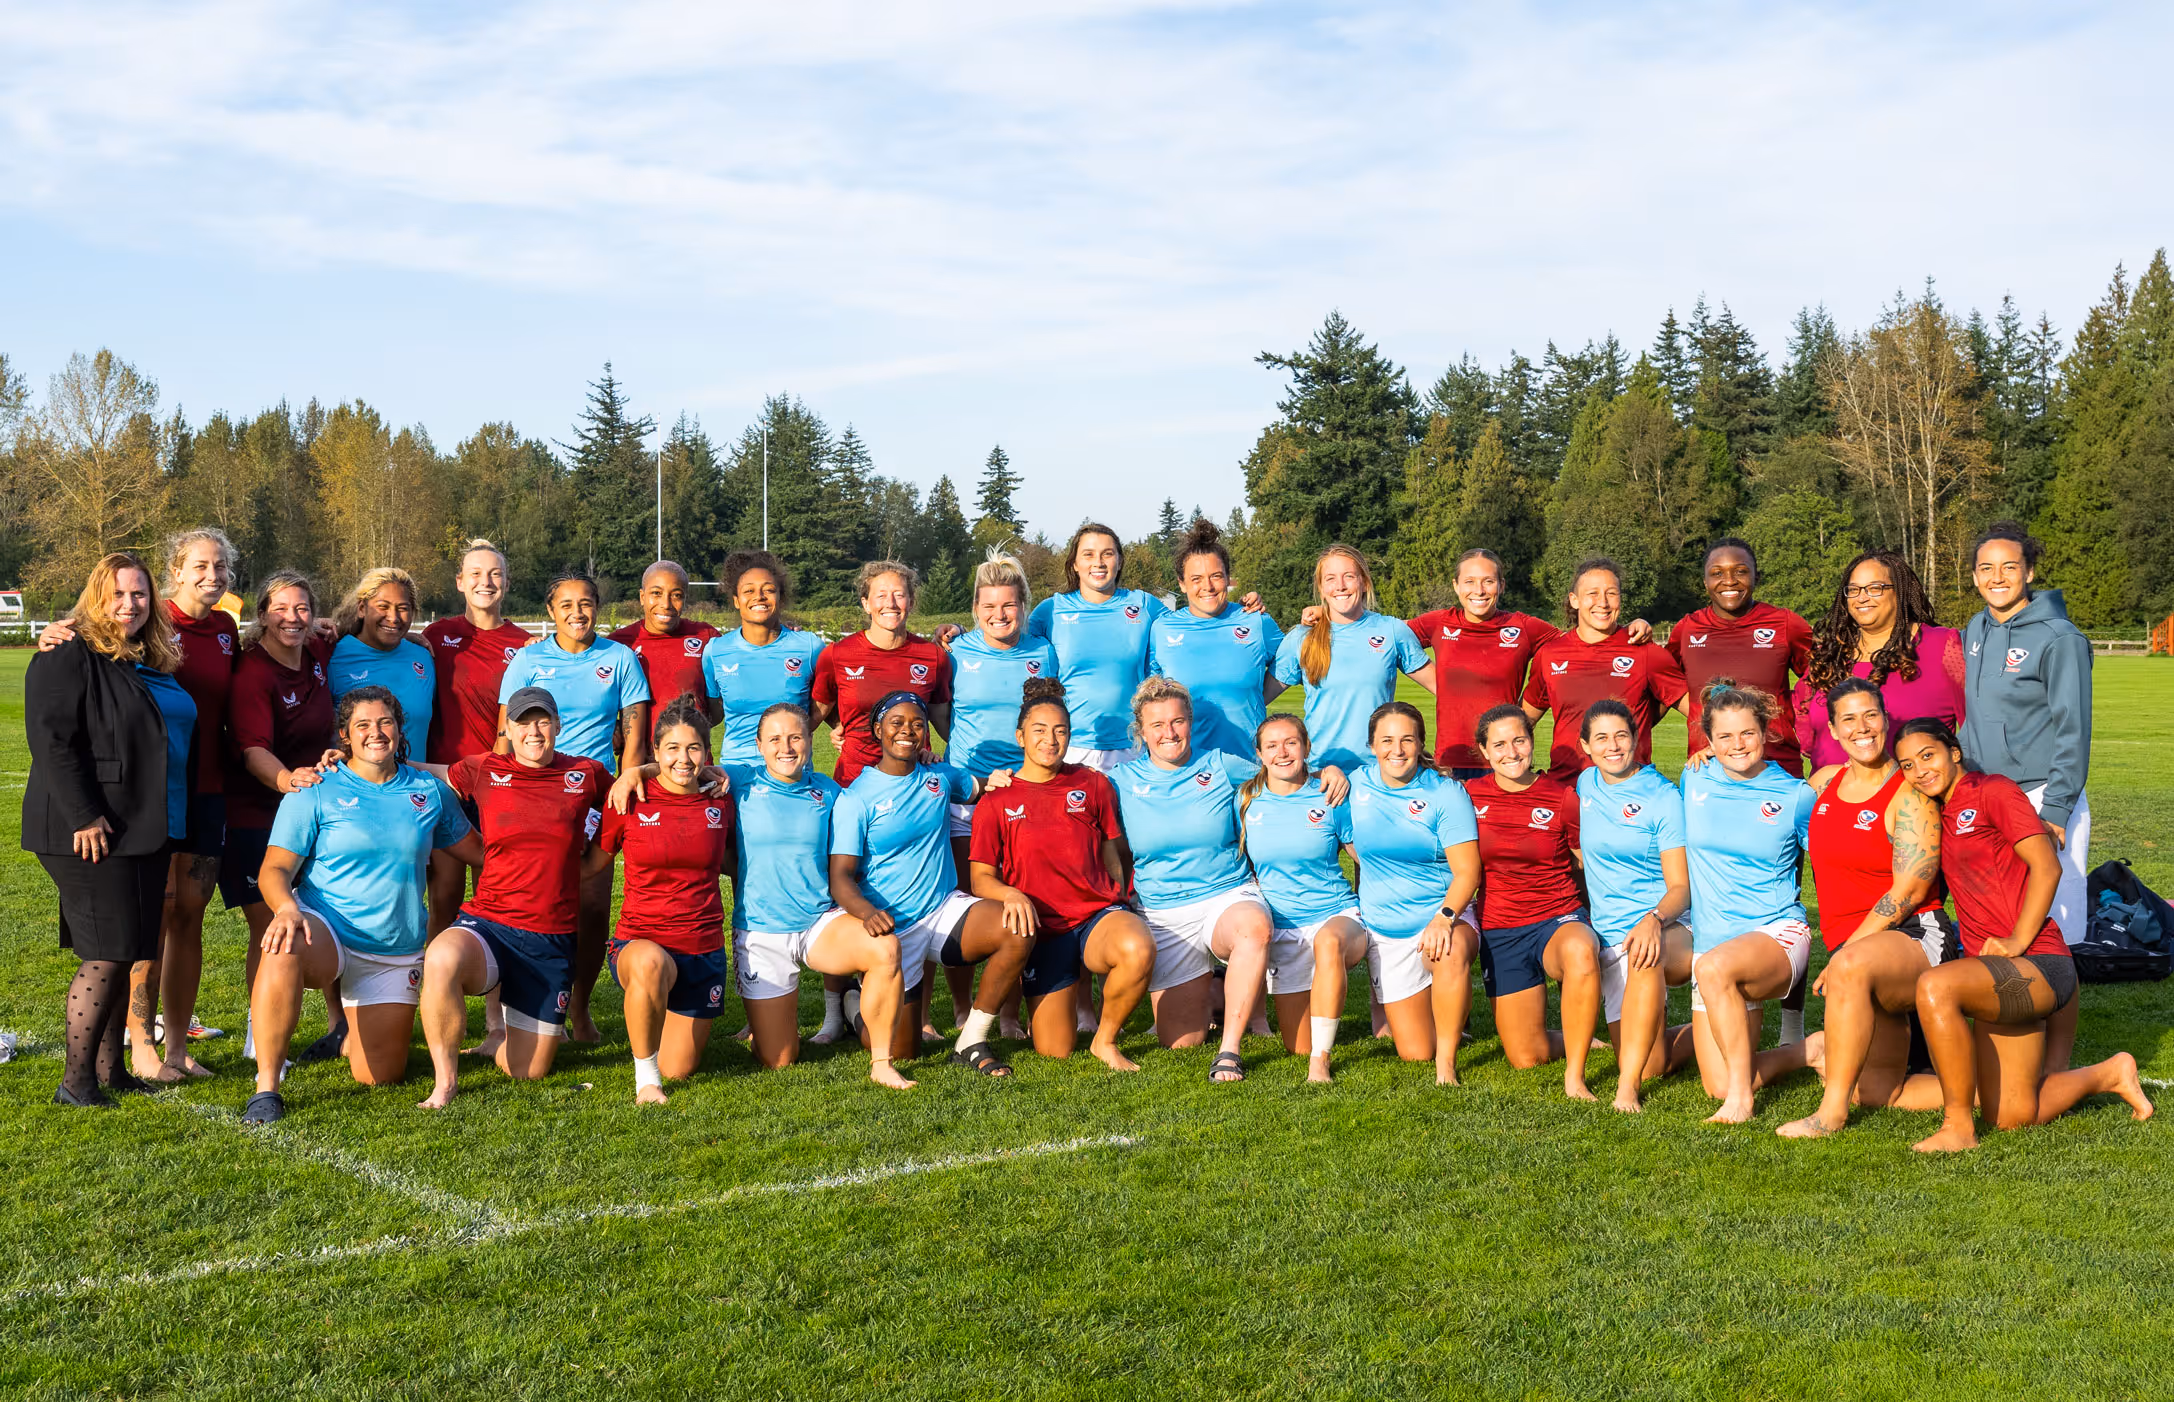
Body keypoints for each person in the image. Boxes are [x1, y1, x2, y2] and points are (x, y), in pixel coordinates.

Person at [1897, 718, 2151, 1152]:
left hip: (2039, 963)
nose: (1920, 770)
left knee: (1935, 987)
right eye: (1907, 764)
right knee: (2013, 1116)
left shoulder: (1993, 790)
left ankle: (1957, 1126)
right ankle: (2109, 1073)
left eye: (1928, 755)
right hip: (1993, 975)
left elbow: (2047, 865)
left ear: (1953, 752)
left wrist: (2017, 939)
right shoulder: (1936, 810)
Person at [44, 529, 242, 1080]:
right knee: (138, 929)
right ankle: (138, 1048)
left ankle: (171, 1049)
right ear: (175, 571)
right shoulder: (127, 634)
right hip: (138, 803)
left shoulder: (219, 630)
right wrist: (59, 630)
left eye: (221, 566)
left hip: (197, 796)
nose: (213, 575)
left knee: (181, 923)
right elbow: (67, 719)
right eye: (200, 565)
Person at [242, 689, 481, 1123]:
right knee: (282, 944)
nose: (376, 733)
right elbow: (273, 869)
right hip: (326, 929)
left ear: (399, 728)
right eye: (363, 726)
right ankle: (266, 1087)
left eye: (385, 722)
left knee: (380, 1076)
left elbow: (480, 853)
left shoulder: (428, 790)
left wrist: (549, 853)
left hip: (394, 948)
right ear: (344, 736)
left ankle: (347, 1033)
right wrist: (287, 909)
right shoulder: (314, 788)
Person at [25, 553, 196, 1107]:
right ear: (95, 597)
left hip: (139, 825)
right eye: (117, 594)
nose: (129, 605)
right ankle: (76, 1083)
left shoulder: (136, 657)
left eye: (140, 594)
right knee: (105, 952)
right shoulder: (67, 652)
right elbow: (52, 741)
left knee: (127, 947)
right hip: (89, 829)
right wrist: (83, 815)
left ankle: (112, 1070)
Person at [419, 688, 612, 1106]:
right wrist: (364, 762)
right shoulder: (484, 768)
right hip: (489, 922)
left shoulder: (586, 773)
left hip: (550, 936)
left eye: (543, 721)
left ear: (558, 726)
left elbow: (623, 799)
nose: (534, 731)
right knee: (441, 957)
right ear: (507, 729)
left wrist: (643, 771)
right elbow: (430, 773)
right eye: (524, 721)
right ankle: (445, 1082)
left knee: (528, 1071)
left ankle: (507, 1027)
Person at [1774, 679, 1947, 1138]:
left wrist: (1847, 952)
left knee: (1849, 967)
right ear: (1831, 729)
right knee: (1879, 1092)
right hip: (1857, 954)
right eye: (1848, 719)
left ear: (1886, 720)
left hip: (1915, 936)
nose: (1862, 727)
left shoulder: (1908, 793)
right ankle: (2013, 1084)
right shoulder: (1825, 782)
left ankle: (1829, 1115)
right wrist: (1713, 760)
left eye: (1870, 715)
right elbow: (1766, 803)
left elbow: (1910, 889)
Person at [1111, 677, 1303, 1081]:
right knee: (1181, 1041)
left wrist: (1331, 774)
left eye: (1177, 722)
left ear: (1191, 722)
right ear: (1141, 731)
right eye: (1157, 725)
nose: (1169, 733)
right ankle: (1215, 994)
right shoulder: (1121, 780)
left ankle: (1230, 1049)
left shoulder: (1221, 765)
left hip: (1226, 894)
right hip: (1163, 911)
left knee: (1254, 929)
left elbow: (1285, 778)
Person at [828, 692, 1031, 1076]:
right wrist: (868, 914)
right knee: (900, 1051)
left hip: (942, 909)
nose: (907, 731)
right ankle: (854, 1006)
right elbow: (840, 877)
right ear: (878, 730)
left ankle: (971, 1039)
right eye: (897, 723)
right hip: (893, 928)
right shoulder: (856, 797)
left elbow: (982, 786)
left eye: (917, 724)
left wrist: (1007, 779)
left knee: (1015, 928)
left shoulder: (940, 777)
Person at [721, 703, 914, 1089]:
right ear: (758, 745)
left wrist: (922, 760)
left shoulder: (828, 791)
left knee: (886, 949)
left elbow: (878, 798)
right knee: (779, 1058)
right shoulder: (740, 780)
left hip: (818, 924)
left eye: (795, 737)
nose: (786, 747)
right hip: (763, 932)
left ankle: (881, 1063)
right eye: (775, 739)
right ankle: (771, 1025)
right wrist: (635, 774)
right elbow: (682, 766)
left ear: (810, 740)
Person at [968, 679, 1155, 1070]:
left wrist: (1121, 904)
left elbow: (1111, 853)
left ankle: (1105, 1040)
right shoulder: (996, 800)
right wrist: (1011, 895)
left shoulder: (1091, 783)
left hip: (1094, 916)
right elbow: (981, 878)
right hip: (1043, 929)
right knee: (1055, 1048)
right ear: (1020, 737)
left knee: (1137, 948)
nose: (1051, 740)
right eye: (1039, 731)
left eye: (1060, 731)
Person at [1959, 521, 2092, 1073]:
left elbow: (2073, 730)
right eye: (1986, 568)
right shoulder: (1976, 627)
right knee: (2004, 919)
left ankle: (2058, 1058)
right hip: (1990, 799)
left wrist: (2057, 808)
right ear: (1973, 576)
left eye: (2009, 567)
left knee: (2050, 929)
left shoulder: (2060, 637)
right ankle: (2019, 1033)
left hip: (2041, 797)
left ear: (2030, 572)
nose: (1997, 578)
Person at [496, 571, 650, 1042]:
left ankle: (579, 1010)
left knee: (589, 905)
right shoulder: (527, 659)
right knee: (527, 904)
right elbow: (505, 737)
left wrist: (621, 786)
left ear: (597, 607)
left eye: (586, 603)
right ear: (550, 612)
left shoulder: (620, 658)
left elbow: (636, 738)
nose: (577, 613)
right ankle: (518, 1013)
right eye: (566, 605)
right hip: (532, 798)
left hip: (593, 798)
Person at [224, 570, 346, 1065]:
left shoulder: (316, 651)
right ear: (261, 616)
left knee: (329, 915)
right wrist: (287, 781)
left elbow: (360, 616)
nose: (292, 619)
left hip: (311, 814)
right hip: (256, 814)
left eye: (301, 609)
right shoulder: (253, 671)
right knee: (272, 926)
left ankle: (341, 1023)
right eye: (281, 609)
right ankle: (261, 1036)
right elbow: (252, 749)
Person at [1680, 682, 1818, 1123]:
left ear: (1765, 731)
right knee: (1715, 1083)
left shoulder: (1796, 794)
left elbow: (1831, 864)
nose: (1737, 745)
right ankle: (1811, 1050)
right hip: (1713, 944)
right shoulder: (1694, 777)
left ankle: (1741, 1102)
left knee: (1714, 970)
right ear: (1708, 741)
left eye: (1747, 733)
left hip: (1775, 934)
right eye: (1724, 736)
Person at [942, 549, 1060, 1037]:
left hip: (1026, 795)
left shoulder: (1043, 652)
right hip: (968, 797)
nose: (999, 615)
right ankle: (961, 1007)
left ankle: (1009, 1013)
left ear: (1024, 605)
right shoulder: (955, 652)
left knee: (1021, 898)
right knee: (964, 900)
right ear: (974, 609)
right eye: (988, 606)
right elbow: (940, 714)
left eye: (1008, 605)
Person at [592, 696, 732, 1105]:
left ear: (707, 753)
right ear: (655, 751)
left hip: (702, 949)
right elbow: (593, 865)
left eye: (693, 748)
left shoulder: (721, 797)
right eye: (672, 748)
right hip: (640, 942)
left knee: (681, 1068)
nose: (683, 759)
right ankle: (646, 1080)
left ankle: (661, 1010)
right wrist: (634, 771)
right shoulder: (628, 798)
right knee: (651, 963)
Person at [421, 538, 532, 1051]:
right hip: (443, 786)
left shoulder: (525, 644)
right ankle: (434, 1012)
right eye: (475, 574)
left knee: (499, 900)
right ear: (460, 582)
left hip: (497, 787)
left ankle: (496, 1024)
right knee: (442, 899)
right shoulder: (436, 637)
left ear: (506, 583)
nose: (486, 582)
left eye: (496, 574)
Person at [1464, 706, 1602, 1100]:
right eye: (1500, 744)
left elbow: (1586, 864)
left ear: (1532, 742)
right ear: (1484, 751)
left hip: (1556, 918)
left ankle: (1575, 1078)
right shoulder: (1467, 796)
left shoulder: (1562, 797)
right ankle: (1581, 1034)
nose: (1512, 752)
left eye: (1519, 740)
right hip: (1501, 928)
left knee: (1579, 951)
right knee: (1526, 1056)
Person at [1346, 701, 1481, 1084]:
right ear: (1372, 745)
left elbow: (1468, 871)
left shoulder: (1446, 793)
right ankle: (1442, 1023)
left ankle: (1448, 1064)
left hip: (1442, 915)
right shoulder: (1355, 784)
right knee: (1415, 1050)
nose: (1397, 749)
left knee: (1450, 950)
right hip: (1385, 929)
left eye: (1407, 739)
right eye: (1386, 740)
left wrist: (1445, 917)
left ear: (1421, 743)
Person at [1574, 701, 1693, 1113]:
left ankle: (1626, 1090)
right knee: (1655, 1063)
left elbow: (1682, 886)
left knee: (1646, 958)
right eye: (1602, 738)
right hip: (1609, 935)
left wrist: (1655, 919)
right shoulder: (1586, 783)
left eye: (1621, 735)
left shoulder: (1663, 796)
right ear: (1585, 746)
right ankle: (1707, 1029)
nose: (1613, 746)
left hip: (1666, 924)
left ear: (1637, 739)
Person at [1236, 714, 1363, 1082]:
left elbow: (1363, 858)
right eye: (1272, 745)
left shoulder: (1330, 795)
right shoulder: (1245, 799)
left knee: (1328, 942)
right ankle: (1311, 1050)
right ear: (1259, 754)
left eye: (1291, 742)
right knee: (1297, 1044)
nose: (1283, 752)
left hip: (1336, 915)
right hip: (1283, 929)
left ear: (1307, 748)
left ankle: (1319, 1063)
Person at [1796, 549, 1966, 770]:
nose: (1862, 597)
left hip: (1914, 799)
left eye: (1875, 588)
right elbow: (1807, 728)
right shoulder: (1829, 654)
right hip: (1832, 798)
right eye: (1854, 590)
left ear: (1901, 593)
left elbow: (1976, 727)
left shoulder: (1942, 644)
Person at [1272, 546, 1434, 774]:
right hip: (1322, 774)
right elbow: (1254, 699)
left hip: (1380, 774)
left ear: (1364, 582)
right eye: (1331, 579)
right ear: (1321, 588)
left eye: (1349, 576)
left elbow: (1443, 688)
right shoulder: (1301, 638)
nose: (1340, 586)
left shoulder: (1391, 630)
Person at [1522, 558, 1687, 777]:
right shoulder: (1549, 654)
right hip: (1568, 789)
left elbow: (1700, 710)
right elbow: (1523, 721)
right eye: (1592, 594)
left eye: (1611, 593)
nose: (1603, 602)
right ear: (1574, 600)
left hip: (1628, 791)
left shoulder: (1645, 652)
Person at [1407, 549, 1562, 779]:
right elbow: (1386, 636)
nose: (1478, 591)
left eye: (1488, 581)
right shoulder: (1440, 622)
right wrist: (1436, 682)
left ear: (1501, 585)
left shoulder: (1523, 627)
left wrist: (1527, 714)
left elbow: (1577, 645)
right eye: (1469, 581)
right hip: (1451, 761)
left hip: (1506, 759)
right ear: (1456, 585)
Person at [1663, 539, 1815, 775]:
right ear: (1705, 582)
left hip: (1776, 765)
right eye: (1717, 573)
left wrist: (1803, 725)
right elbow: (1660, 682)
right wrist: (1696, 708)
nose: (1729, 580)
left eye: (1741, 571)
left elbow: (1826, 678)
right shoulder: (1688, 629)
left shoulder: (1785, 623)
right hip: (1708, 767)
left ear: (1757, 576)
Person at [1025, 523, 1166, 771]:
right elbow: (1009, 638)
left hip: (1133, 746)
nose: (1098, 562)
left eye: (1107, 554)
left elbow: (1190, 623)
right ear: (1074, 564)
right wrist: (957, 632)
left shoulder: (1143, 604)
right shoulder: (1051, 610)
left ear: (1120, 561)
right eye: (1088, 554)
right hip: (1070, 747)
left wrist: (1240, 611)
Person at [1148, 520, 1287, 758]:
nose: (1208, 586)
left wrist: (1257, 697)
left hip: (1248, 767)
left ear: (1227, 577)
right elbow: (1150, 696)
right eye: (1196, 579)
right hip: (1187, 770)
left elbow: (1292, 662)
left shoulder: (1255, 621)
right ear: (1181, 584)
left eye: (1216, 576)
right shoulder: (1162, 629)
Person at [700, 550, 824, 764]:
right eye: (749, 591)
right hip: (738, 774)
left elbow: (828, 700)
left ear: (780, 598)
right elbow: (714, 713)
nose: (759, 597)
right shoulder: (716, 651)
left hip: (793, 773)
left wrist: (802, 730)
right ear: (737, 601)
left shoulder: (809, 647)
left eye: (768, 590)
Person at [328, 566, 435, 761]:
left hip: (413, 786)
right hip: (354, 788)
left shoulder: (423, 657)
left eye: (402, 609)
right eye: (383, 607)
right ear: (362, 608)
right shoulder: (331, 655)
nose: (393, 618)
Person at [610, 560, 720, 711]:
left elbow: (719, 706)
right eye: (656, 593)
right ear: (642, 597)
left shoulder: (706, 637)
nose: (666, 604)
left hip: (691, 735)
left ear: (685, 599)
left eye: (676, 595)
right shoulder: (618, 643)